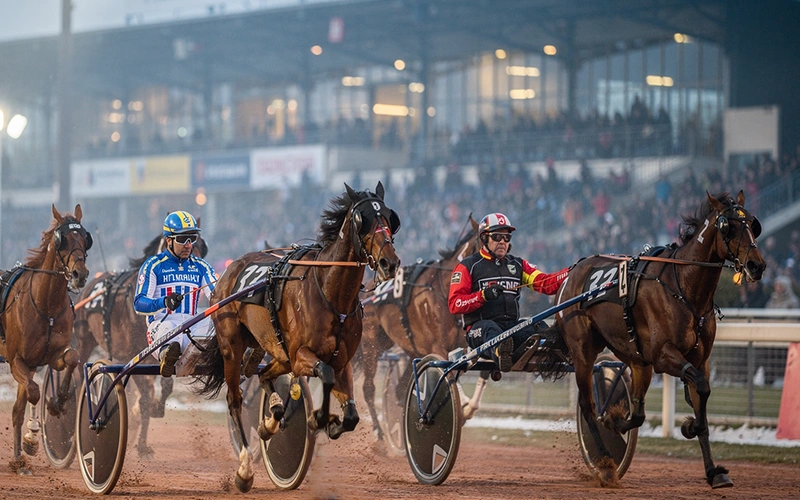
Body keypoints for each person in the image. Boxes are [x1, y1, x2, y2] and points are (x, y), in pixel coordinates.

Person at [448, 213, 569, 372]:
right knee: (491, 329)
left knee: (538, 326)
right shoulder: (467, 266)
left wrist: (571, 272)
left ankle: (562, 352)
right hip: (479, 331)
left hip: (511, 330)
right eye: (497, 236)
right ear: (484, 238)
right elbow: (454, 304)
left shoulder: (518, 265)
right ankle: (500, 353)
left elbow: (546, 284)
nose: (503, 242)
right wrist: (483, 296)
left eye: (507, 237)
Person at [134, 211, 216, 377]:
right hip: (161, 330)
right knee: (169, 328)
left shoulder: (202, 266)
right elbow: (139, 304)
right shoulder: (153, 265)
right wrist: (164, 302)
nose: (188, 245)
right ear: (168, 240)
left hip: (192, 331)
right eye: (182, 239)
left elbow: (218, 295)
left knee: (220, 323)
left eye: (192, 238)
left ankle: (240, 355)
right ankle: (168, 357)